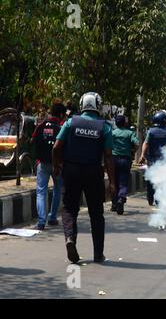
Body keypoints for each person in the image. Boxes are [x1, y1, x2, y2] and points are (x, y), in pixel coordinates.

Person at [52, 92, 115, 264]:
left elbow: (57, 146)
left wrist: (57, 165)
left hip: (71, 171)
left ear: (82, 105)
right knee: (96, 213)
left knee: (70, 209)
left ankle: (70, 239)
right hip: (93, 173)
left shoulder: (71, 122)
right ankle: (98, 254)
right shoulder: (105, 127)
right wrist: (113, 182)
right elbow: (108, 156)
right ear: (98, 106)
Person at [32, 102, 66, 230]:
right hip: (57, 165)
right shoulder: (62, 127)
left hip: (42, 163)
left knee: (41, 192)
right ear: (62, 114)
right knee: (57, 190)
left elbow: (33, 140)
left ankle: (41, 222)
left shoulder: (40, 126)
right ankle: (52, 218)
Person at [139, 111, 166, 206]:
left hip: (152, 160)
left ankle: (150, 197)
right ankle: (159, 199)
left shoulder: (150, 131)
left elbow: (146, 143)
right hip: (164, 161)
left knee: (151, 179)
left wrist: (142, 155)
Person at [111, 115, 139, 214]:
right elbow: (136, 144)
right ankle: (121, 198)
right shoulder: (130, 133)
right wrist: (133, 152)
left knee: (113, 180)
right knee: (123, 181)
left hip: (113, 159)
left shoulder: (112, 133)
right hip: (125, 160)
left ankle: (114, 204)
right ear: (125, 123)